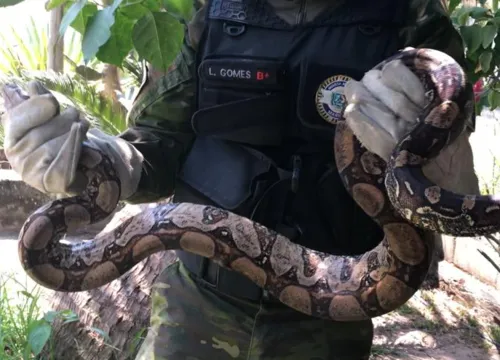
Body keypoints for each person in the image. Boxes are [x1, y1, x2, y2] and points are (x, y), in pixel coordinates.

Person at [2, 0, 482, 358]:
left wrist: (442, 160)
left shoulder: (413, 16)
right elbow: (156, 151)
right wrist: (99, 159)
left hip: (333, 315)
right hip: (196, 300)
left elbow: (450, 188)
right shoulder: (205, 12)